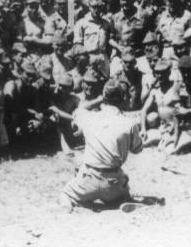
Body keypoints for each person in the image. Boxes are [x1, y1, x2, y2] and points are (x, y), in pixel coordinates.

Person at [59, 80, 143, 211]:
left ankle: (67, 205)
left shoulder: (89, 117)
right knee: (123, 181)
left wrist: (99, 100)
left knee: (65, 193)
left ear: (104, 98)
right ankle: (122, 200)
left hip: (89, 179)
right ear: (123, 98)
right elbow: (137, 150)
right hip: (113, 182)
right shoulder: (129, 123)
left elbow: (77, 111)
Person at [48, 74, 82, 155]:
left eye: (64, 87)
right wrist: (74, 118)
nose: (60, 88)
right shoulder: (53, 97)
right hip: (55, 127)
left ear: (69, 89)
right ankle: (64, 145)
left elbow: (81, 110)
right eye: (59, 85)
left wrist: (77, 119)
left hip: (68, 126)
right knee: (55, 117)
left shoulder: (73, 99)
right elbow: (56, 111)